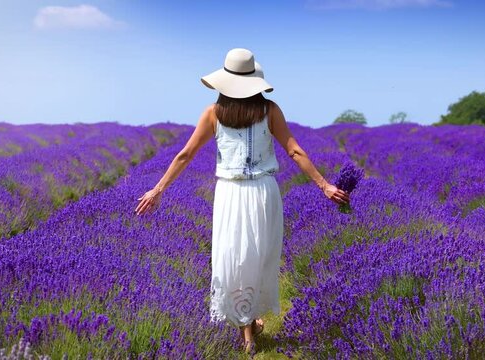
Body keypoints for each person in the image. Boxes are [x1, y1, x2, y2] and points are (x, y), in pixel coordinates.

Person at [134, 48, 349, 354]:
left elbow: (185, 155)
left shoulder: (213, 113)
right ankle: (251, 323)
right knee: (260, 257)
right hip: (263, 191)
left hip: (230, 194)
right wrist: (324, 185)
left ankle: (245, 333)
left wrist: (157, 190)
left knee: (233, 259)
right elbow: (295, 151)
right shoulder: (269, 110)